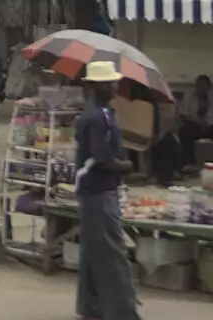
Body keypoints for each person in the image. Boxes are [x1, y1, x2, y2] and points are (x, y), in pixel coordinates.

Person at [72, 60, 139, 320]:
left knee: (93, 250)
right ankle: (123, 312)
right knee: (112, 254)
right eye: (107, 82)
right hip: (98, 189)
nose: (113, 86)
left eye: (114, 81)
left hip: (94, 190)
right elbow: (103, 159)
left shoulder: (103, 113)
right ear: (93, 86)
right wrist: (126, 165)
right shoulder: (97, 116)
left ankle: (91, 306)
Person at [176, 74, 213, 172]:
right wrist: (198, 122)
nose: (200, 89)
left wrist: (206, 123)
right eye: (198, 86)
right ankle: (189, 164)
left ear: (209, 88)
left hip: (210, 125)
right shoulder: (189, 95)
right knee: (184, 130)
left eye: (203, 86)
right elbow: (183, 115)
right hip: (194, 125)